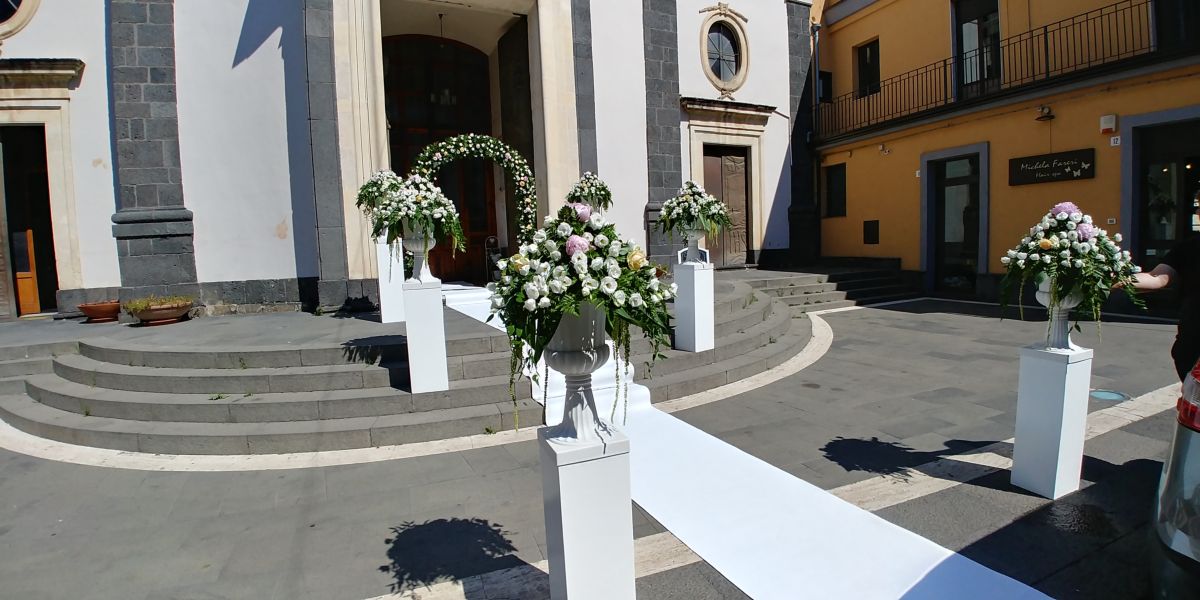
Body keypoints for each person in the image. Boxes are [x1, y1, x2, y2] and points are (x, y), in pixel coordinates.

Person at [1129, 200, 1200, 380]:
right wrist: (1118, 280)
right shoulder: (1188, 248)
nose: (1198, 212)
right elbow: (1157, 277)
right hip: (1191, 348)